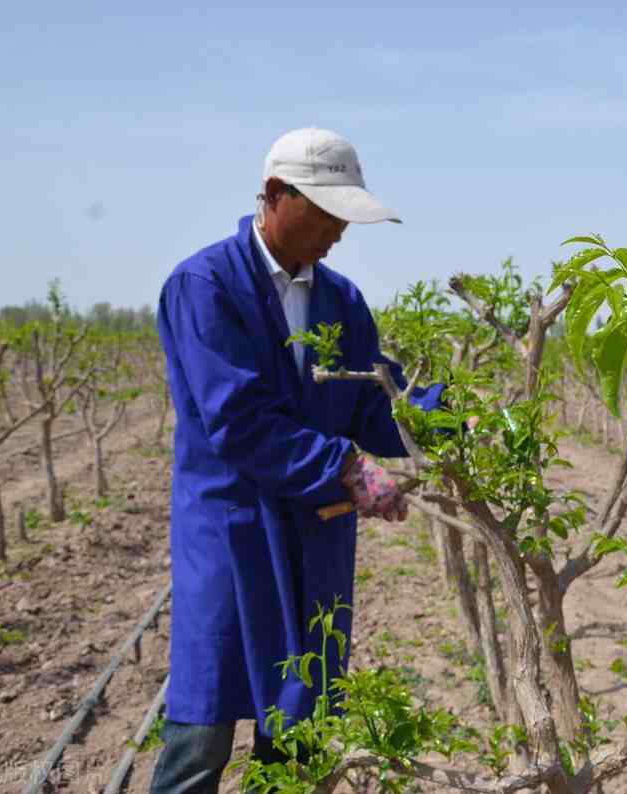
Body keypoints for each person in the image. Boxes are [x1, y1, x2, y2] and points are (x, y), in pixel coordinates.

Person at [149, 128, 440, 793]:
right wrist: (348, 469)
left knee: (300, 728)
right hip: (234, 532)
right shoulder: (205, 286)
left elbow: (377, 399)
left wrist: (450, 422)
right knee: (202, 730)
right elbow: (236, 417)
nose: (338, 228)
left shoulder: (340, 300)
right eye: (326, 210)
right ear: (277, 194)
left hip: (317, 536)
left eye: (345, 213)